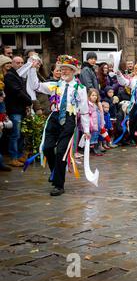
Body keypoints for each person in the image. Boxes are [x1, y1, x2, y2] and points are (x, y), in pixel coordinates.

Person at [28, 55, 90, 196]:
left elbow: (85, 111)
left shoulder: (80, 88)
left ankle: (58, 185)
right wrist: (32, 69)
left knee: (61, 152)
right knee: (47, 148)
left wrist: (86, 130)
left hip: (69, 120)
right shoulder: (54, 85)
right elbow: (35, 86)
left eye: (68, 69)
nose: (64, 71)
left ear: (73, 71)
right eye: (62, 69)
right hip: (54, 118)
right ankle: (55, 171)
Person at [4, 56, 32, 167]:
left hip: (20, 108)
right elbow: (17, 91)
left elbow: (23, 90)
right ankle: (13, 158)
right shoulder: (10, 76)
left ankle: (20, 156)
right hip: (14, 109)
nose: (20, 65)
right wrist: (29, 100)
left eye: (22, 63)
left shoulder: (19, 75)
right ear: (12, 64)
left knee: (21, 134)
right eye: (17, 63)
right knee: (15, 134)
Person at [87, 88, 105, 156]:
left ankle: (96, 147)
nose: (94, 96)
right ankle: (93, 149)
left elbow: (101, 114)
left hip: (98, 122)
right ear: (89, 96)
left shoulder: (98, 104)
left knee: (97, 135)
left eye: (96, 95)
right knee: (93, 135)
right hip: (92, 123)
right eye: (93, 95)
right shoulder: (88, 104)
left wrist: (102, 123)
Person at [0, 91, 12, 171]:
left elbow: (9, 123)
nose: (2, 98)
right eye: (1, 96)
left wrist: (4, 122)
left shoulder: (2, 105)